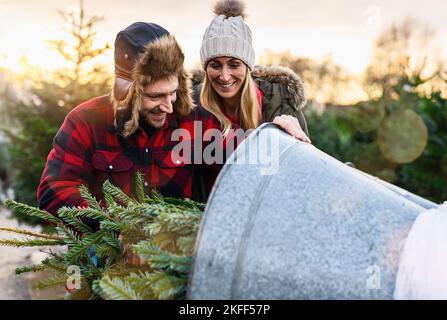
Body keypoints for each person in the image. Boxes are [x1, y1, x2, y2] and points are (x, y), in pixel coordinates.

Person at [37, 22, 196, 223]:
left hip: (175, 250)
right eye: (155, 96)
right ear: (127, 91)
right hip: (104, 248)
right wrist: (114, 224)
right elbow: (54, 189)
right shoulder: (85, 122)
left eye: (172, 93)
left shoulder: (193, 120)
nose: (168, 107)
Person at [194, 0, 310, 142]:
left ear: (248, 67)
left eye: (234, 65)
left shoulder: (282, 108)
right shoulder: (188, 107)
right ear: (206, 68)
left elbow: (301, 162)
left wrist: (298, 144)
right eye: (216, 65)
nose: (224, 77)